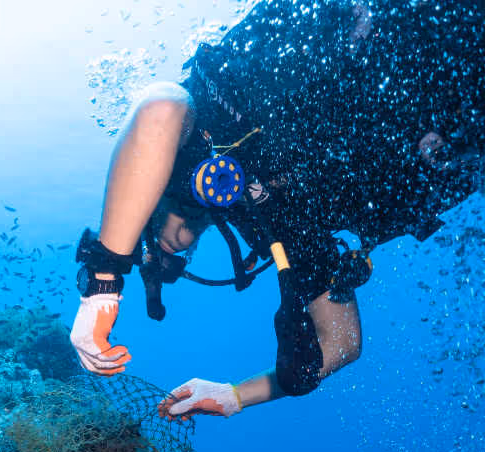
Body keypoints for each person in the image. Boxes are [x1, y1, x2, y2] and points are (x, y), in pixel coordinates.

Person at [70, 0, 485, 420]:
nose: (163, 257)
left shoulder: (203, 120)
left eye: (144, 249)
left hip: (426, 32)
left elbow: (160, 108)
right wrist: (234, 396)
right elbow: (342, 342)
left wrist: (102, 283)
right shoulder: (267, 222)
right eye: (165, 266)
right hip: (464, 124)